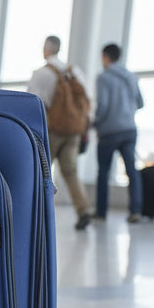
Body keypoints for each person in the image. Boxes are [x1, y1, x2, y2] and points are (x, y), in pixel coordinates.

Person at [27, 35, 93, 229]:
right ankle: (84, 210)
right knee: (71, 171)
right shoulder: (75, 72)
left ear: (47, 48)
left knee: (41, 172)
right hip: (73, 130)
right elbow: (86, 101)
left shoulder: (41, 73)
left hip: (52, 130)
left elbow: (34, 103)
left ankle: (35, 211)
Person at [93, 43, 145, 223]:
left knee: (104, 172)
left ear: (105, 57)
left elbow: (104, 107)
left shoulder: (104, 77)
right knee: (132, 171)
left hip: (109, 131)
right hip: (130, 129)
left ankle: (101, 212)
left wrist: (96, 124)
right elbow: (140, 103)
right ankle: (136, 210)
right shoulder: (131, 76)